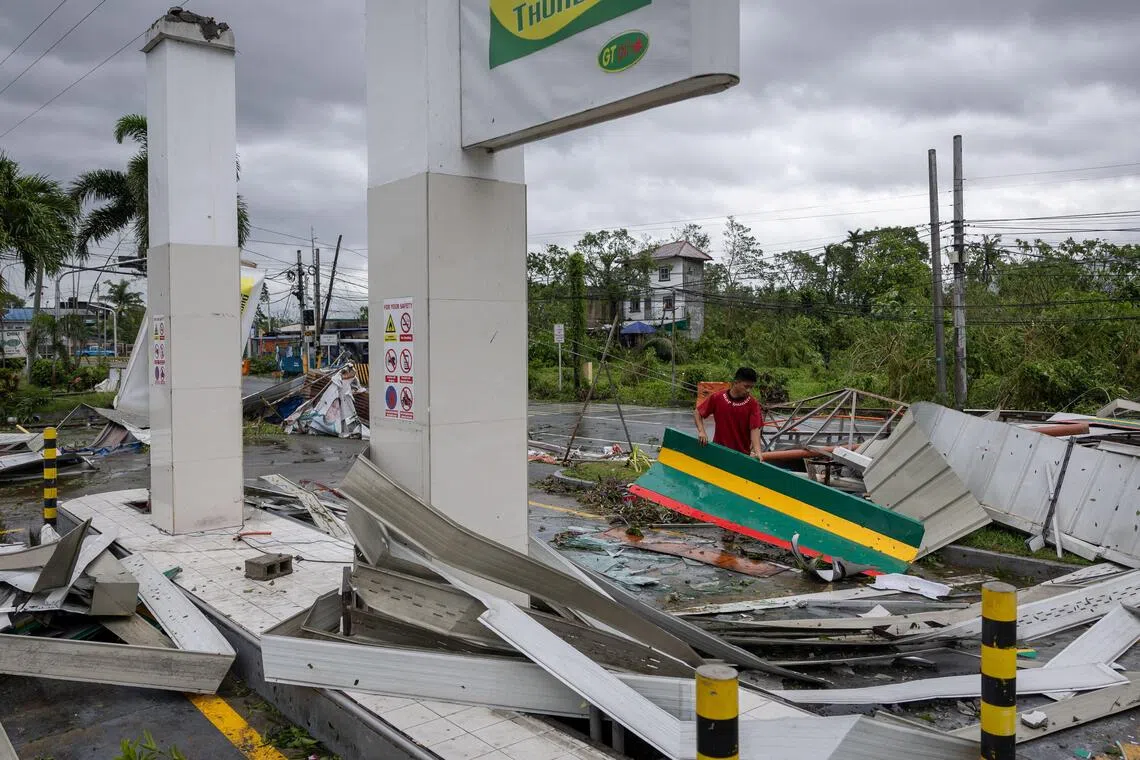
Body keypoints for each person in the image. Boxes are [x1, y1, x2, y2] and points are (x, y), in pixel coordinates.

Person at [694, 367, 764, 459]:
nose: (748, 390)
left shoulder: (753, 404)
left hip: (741, 456)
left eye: (751, 387)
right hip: (718, 452)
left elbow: (755, 428)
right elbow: (698, 412)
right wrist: (701, 431)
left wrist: (757, 451)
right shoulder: (717, 398)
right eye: (746, 386)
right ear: (736, 382)